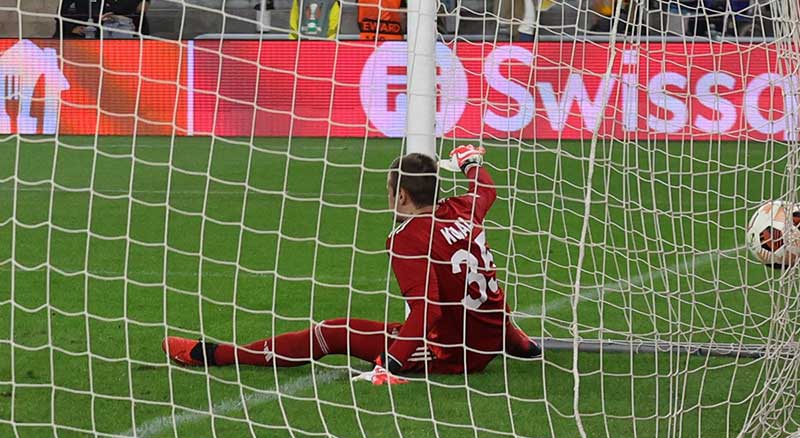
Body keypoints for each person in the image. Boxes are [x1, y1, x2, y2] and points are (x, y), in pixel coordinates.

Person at [162, 146, 542, 382]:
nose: (388, 195)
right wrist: (471, 161)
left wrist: (391, 364)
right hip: (488, 337)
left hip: (455, 352)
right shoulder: (462, 208)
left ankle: (213, 354)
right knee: (472, 282)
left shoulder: (407, 238)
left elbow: (426, 310)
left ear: (403, 195)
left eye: (390, 189)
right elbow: (485, 190)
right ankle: (521, 343)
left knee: (330, 333)